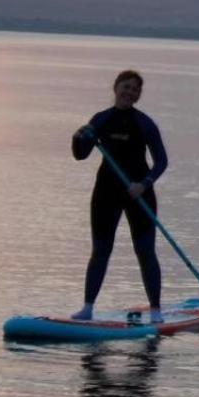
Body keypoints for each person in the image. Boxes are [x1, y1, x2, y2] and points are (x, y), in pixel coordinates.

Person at [70, 70, 168, 322]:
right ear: (116, 88)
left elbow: (161, 161)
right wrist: (79, 137)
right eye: (126, 86)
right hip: (106, 192)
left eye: (135, 89)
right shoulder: (101, 119)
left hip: (139, 194)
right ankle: (87, 308)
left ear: (138, 95)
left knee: (145, 251)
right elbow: (80, 154)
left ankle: (156, 310)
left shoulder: (145, 123)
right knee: (101, 250)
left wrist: (144, 184)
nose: (130, 92)